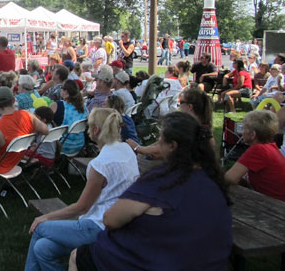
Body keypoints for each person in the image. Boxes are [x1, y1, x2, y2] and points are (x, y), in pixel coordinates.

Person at [71, 111, 232, 271]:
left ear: (172, 146)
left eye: (160, 140)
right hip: (204, 260)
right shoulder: (215, 182)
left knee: (77, 255)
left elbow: (110, 219)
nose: (157, 144)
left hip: (154, 261)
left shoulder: (161, 181)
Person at [26, 108, 139, 271]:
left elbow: (82, 207)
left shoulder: (100, 164)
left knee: (40, 227)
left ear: (96, 130)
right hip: (119, 222)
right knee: (42, 248)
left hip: (98, 226)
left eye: (89, 127)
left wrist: (45, 217)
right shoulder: (127, 150)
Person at [131, 87, 214, 158]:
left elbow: (161, 150)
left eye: (181, 102)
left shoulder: (188, 129)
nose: (179, 105)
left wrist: (137, 148)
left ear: (189, 107)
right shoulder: (204, 128)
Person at [225, 110, 285, 201]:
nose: (242, 132)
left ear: (253, 134)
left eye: (244, 128)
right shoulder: (271, 147)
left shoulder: (258, 150)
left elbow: (230, 178)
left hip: (275, 205)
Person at [49, 79, 89, 155]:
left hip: (62, 146)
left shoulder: (57, 105)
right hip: (79, 145)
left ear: (66, 92)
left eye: (61, 88)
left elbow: (43, 120)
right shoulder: (84, 108)